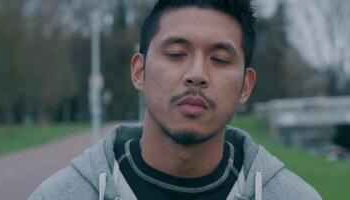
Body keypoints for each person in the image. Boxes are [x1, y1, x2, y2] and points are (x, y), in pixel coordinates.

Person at [29, 0, 322, 199]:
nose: (196, 75)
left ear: (246, 86)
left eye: (219, 59)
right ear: (139, 71)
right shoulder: (60, 194)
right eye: (175, 54)